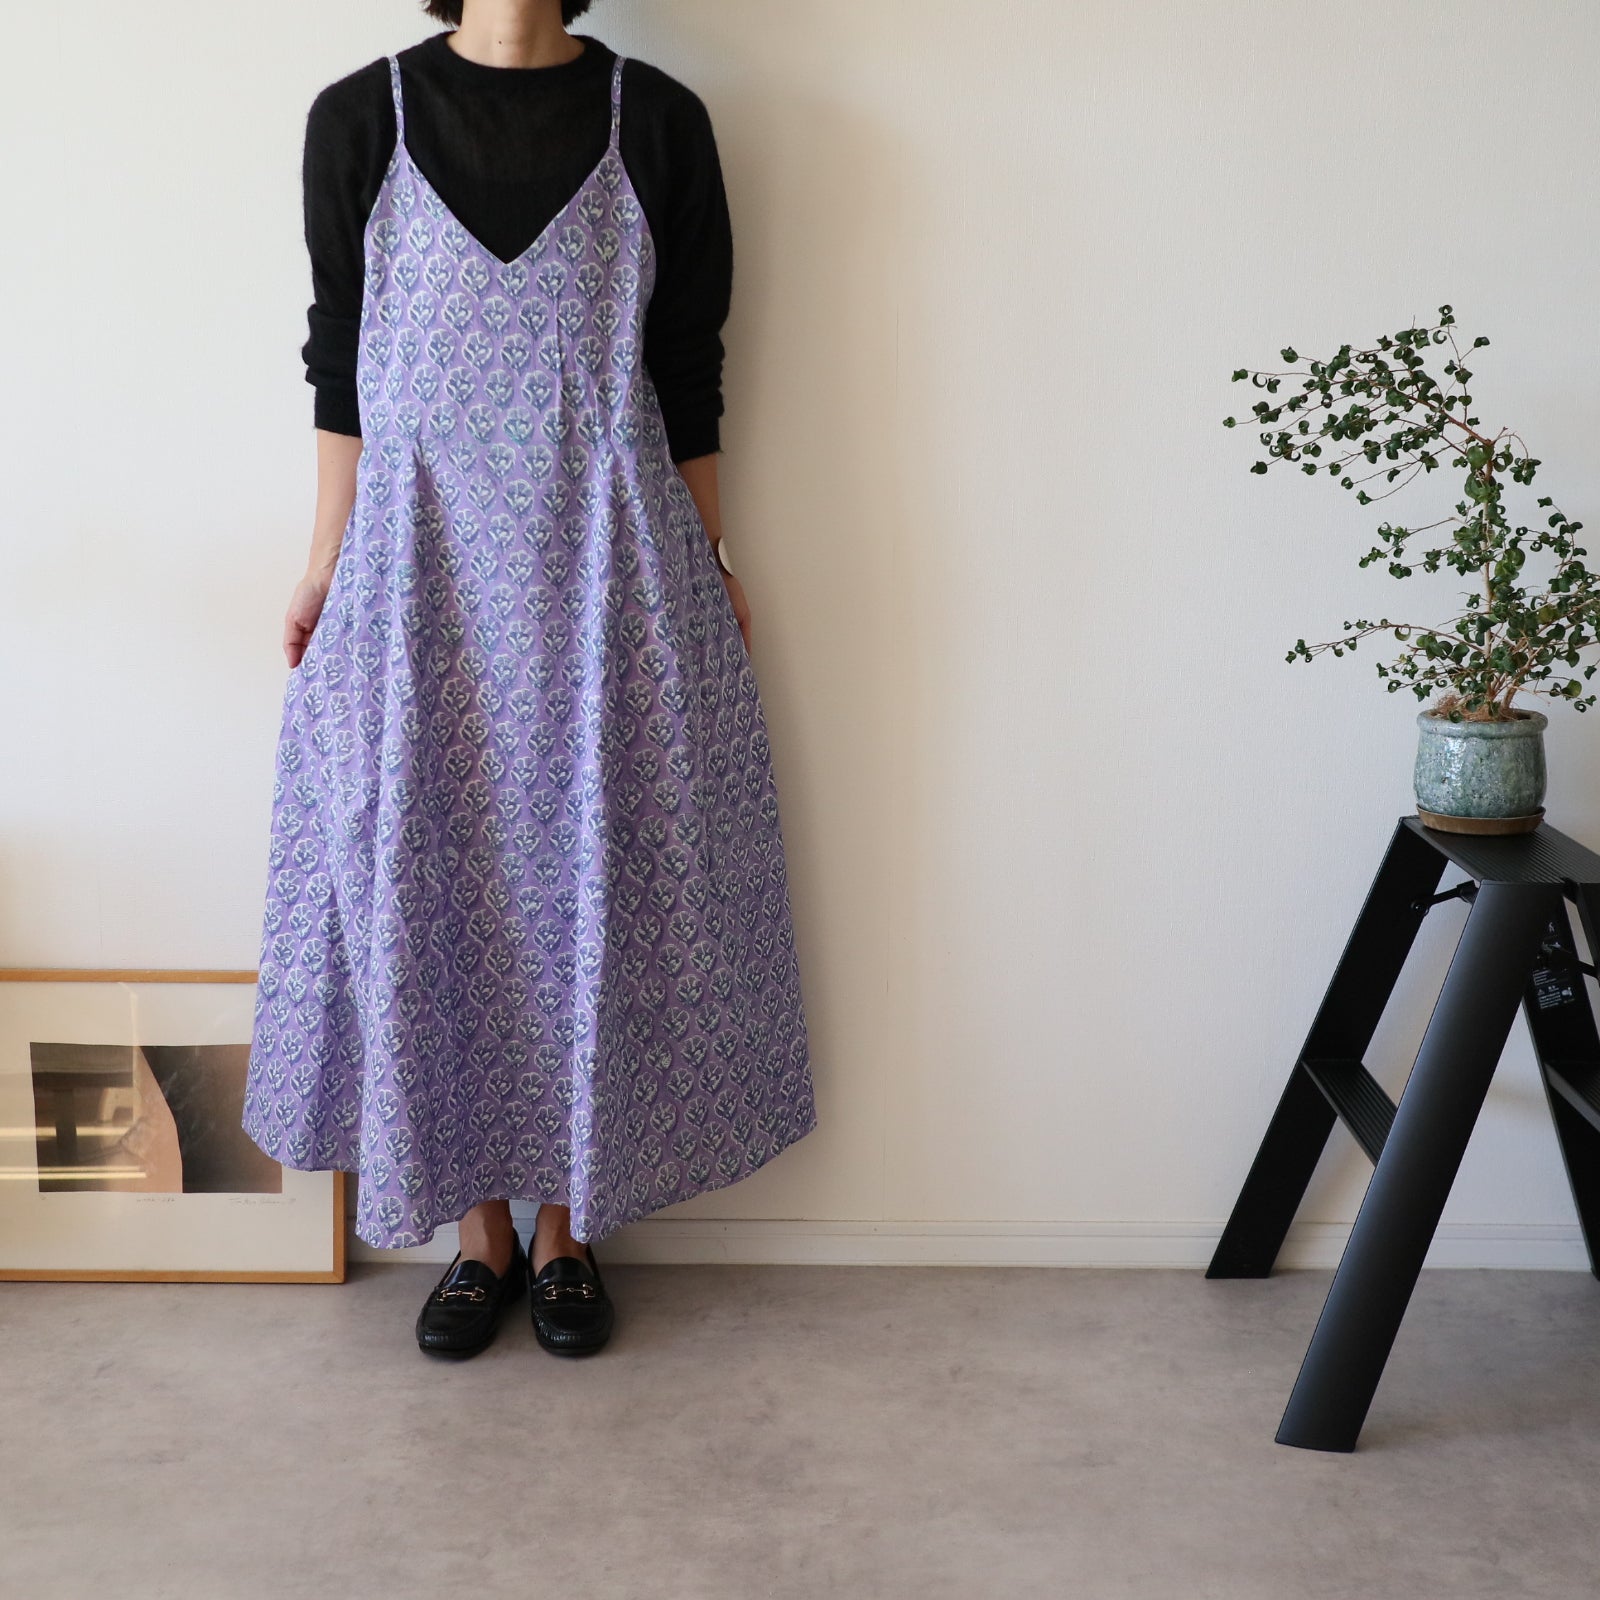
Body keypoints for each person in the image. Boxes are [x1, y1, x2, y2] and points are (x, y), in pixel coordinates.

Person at [241, 0, 818, 1360]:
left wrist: (712, 553)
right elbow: (340, 356)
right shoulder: (359, 119)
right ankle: (477, 1233)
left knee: (594, 870)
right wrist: (324, 561)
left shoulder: (657, 121)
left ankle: (569, 1230)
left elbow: (687, 364)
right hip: (419, 564)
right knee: (427, 865)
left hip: (605, 562)